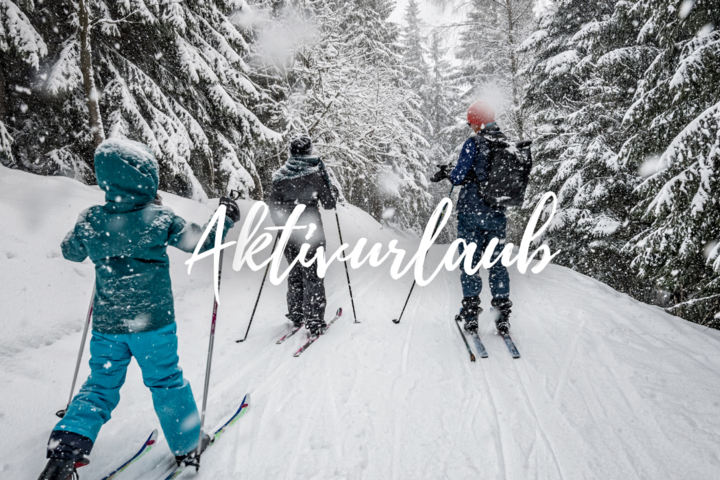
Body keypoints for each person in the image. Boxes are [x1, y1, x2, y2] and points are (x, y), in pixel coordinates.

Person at [38, 139, 241, 480]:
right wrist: (224, 219)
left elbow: (70, 251)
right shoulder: (159, 218)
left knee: (100, 385)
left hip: (108, 326)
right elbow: (202, 243)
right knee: (165, 382)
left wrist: (90, 233)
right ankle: (188, 445)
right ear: (146, 178)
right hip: (153, 326)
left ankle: (64, 453)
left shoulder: (91, 219)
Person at [430, 101, 513, 335]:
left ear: (478, 121)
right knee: (497, 264)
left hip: (471, 213)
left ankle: (471, 314)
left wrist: (448, 172)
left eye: (470, 122)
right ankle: (502, 314)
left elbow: (459, 177)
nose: (470, 127)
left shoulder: (473, 143)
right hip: (496, 212)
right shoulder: (506, 144)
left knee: (470, 263)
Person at [268, 135, 337, 336]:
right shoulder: (314, 173)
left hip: (288, 232)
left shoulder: (280, 176)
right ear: (309, 151)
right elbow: (329, 203)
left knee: (295, 272)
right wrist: (326, 182)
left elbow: (273, 207)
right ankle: (315, 320)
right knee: (313, 274)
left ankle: (297, 315)